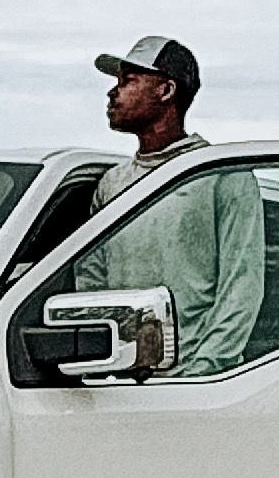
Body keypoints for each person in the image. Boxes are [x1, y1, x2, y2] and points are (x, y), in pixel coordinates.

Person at [75, 35, 265, 375]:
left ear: (166, 90)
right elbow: (91, 284)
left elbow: (241, 287)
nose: (112, 93)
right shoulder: (112, 184)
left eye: (129, 81)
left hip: (198, 383)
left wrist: (203, 370)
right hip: (117, 383)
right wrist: (101, 363)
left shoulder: (220, 175)